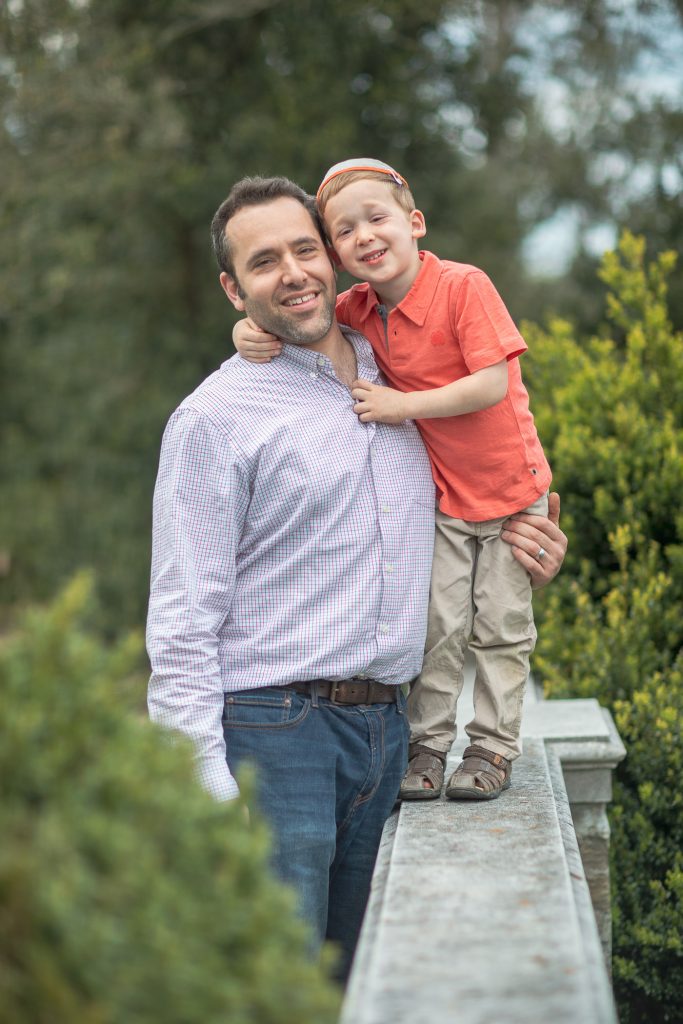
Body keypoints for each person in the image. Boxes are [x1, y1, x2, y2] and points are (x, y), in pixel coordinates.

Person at [147, 175, 567, 982]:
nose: (294, 273)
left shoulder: (409, 371)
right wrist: (199, 785)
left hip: (397, 738)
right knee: (278, 988)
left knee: (377, 986)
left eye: (306, 249)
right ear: (234, 289)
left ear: (336, 257)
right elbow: (182, 617)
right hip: (273, 740)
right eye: (263, 262)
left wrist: (522, 558)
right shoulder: (215, 419)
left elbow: (475, 492)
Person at [232, 158, 555, 805]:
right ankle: (428, 747)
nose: (364, 236)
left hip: (510, 499)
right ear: (337, 253)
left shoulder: (463, 286)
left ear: (414, 223)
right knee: (435, 627)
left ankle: (490, 748)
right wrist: (248, 329)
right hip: (445, 501)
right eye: (344, 231)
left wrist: (402, 406)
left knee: (498, 628)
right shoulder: (356, 306)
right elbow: (295, 320)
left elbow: (491, 383)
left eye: (375, 219)